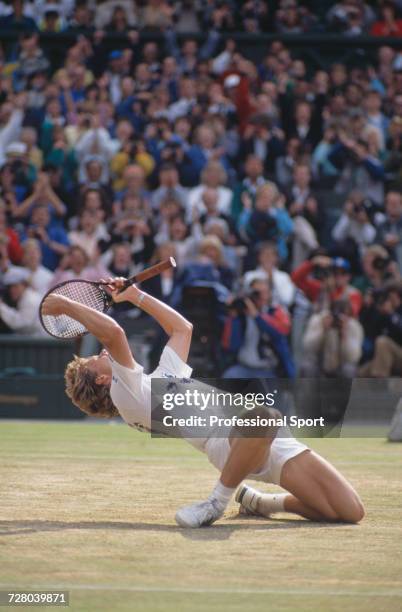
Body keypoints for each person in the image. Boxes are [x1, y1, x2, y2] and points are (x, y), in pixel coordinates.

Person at [42, 279, 364, 527]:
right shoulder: (124, 393)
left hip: (256, 439)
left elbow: (183, 329)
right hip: (228, 441)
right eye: (94, 360)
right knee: (265, 415)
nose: (100, 353)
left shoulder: (153, 383)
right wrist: (65, 305)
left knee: (349, 511)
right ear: (100, 380)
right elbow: (113, 332)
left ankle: (260, 503)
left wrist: (135, 295)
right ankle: (214, 504)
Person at [0, 266, 43, 335]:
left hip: (45, 343)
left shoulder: (30, 300)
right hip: (36, 342)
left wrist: (1, 307)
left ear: (24, 285)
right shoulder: (25, 297)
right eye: (10, 287)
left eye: (15, 286)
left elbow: (19, 324)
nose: (12, 290)